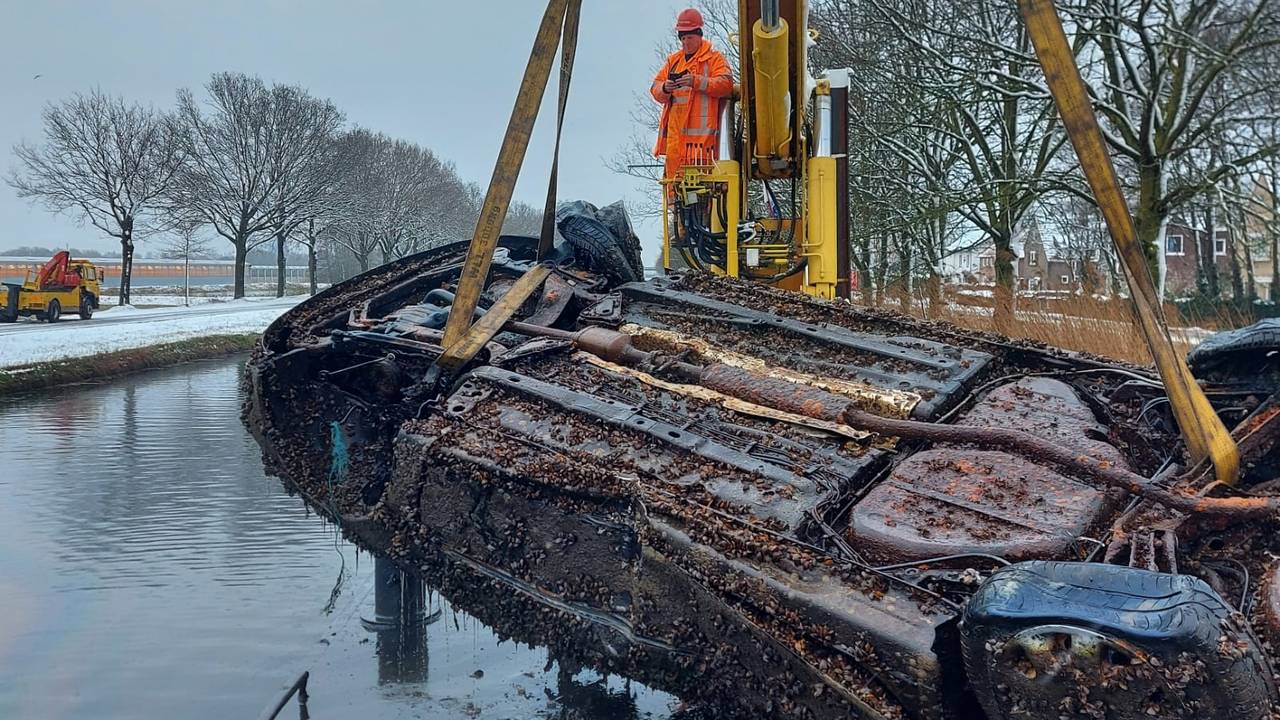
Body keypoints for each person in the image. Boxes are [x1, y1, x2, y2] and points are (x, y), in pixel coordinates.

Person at [650, 8, 734, 179]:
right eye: (683, 38)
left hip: (702, 148)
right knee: (675, 197)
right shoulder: (673, 61)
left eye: (689, 38)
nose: (685, 42)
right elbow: (655, 88)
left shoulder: (714, 59)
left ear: (699, 35)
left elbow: (726, 84)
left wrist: (696, 81)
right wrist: (665, 87)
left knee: (702, 199)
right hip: (675, 148)